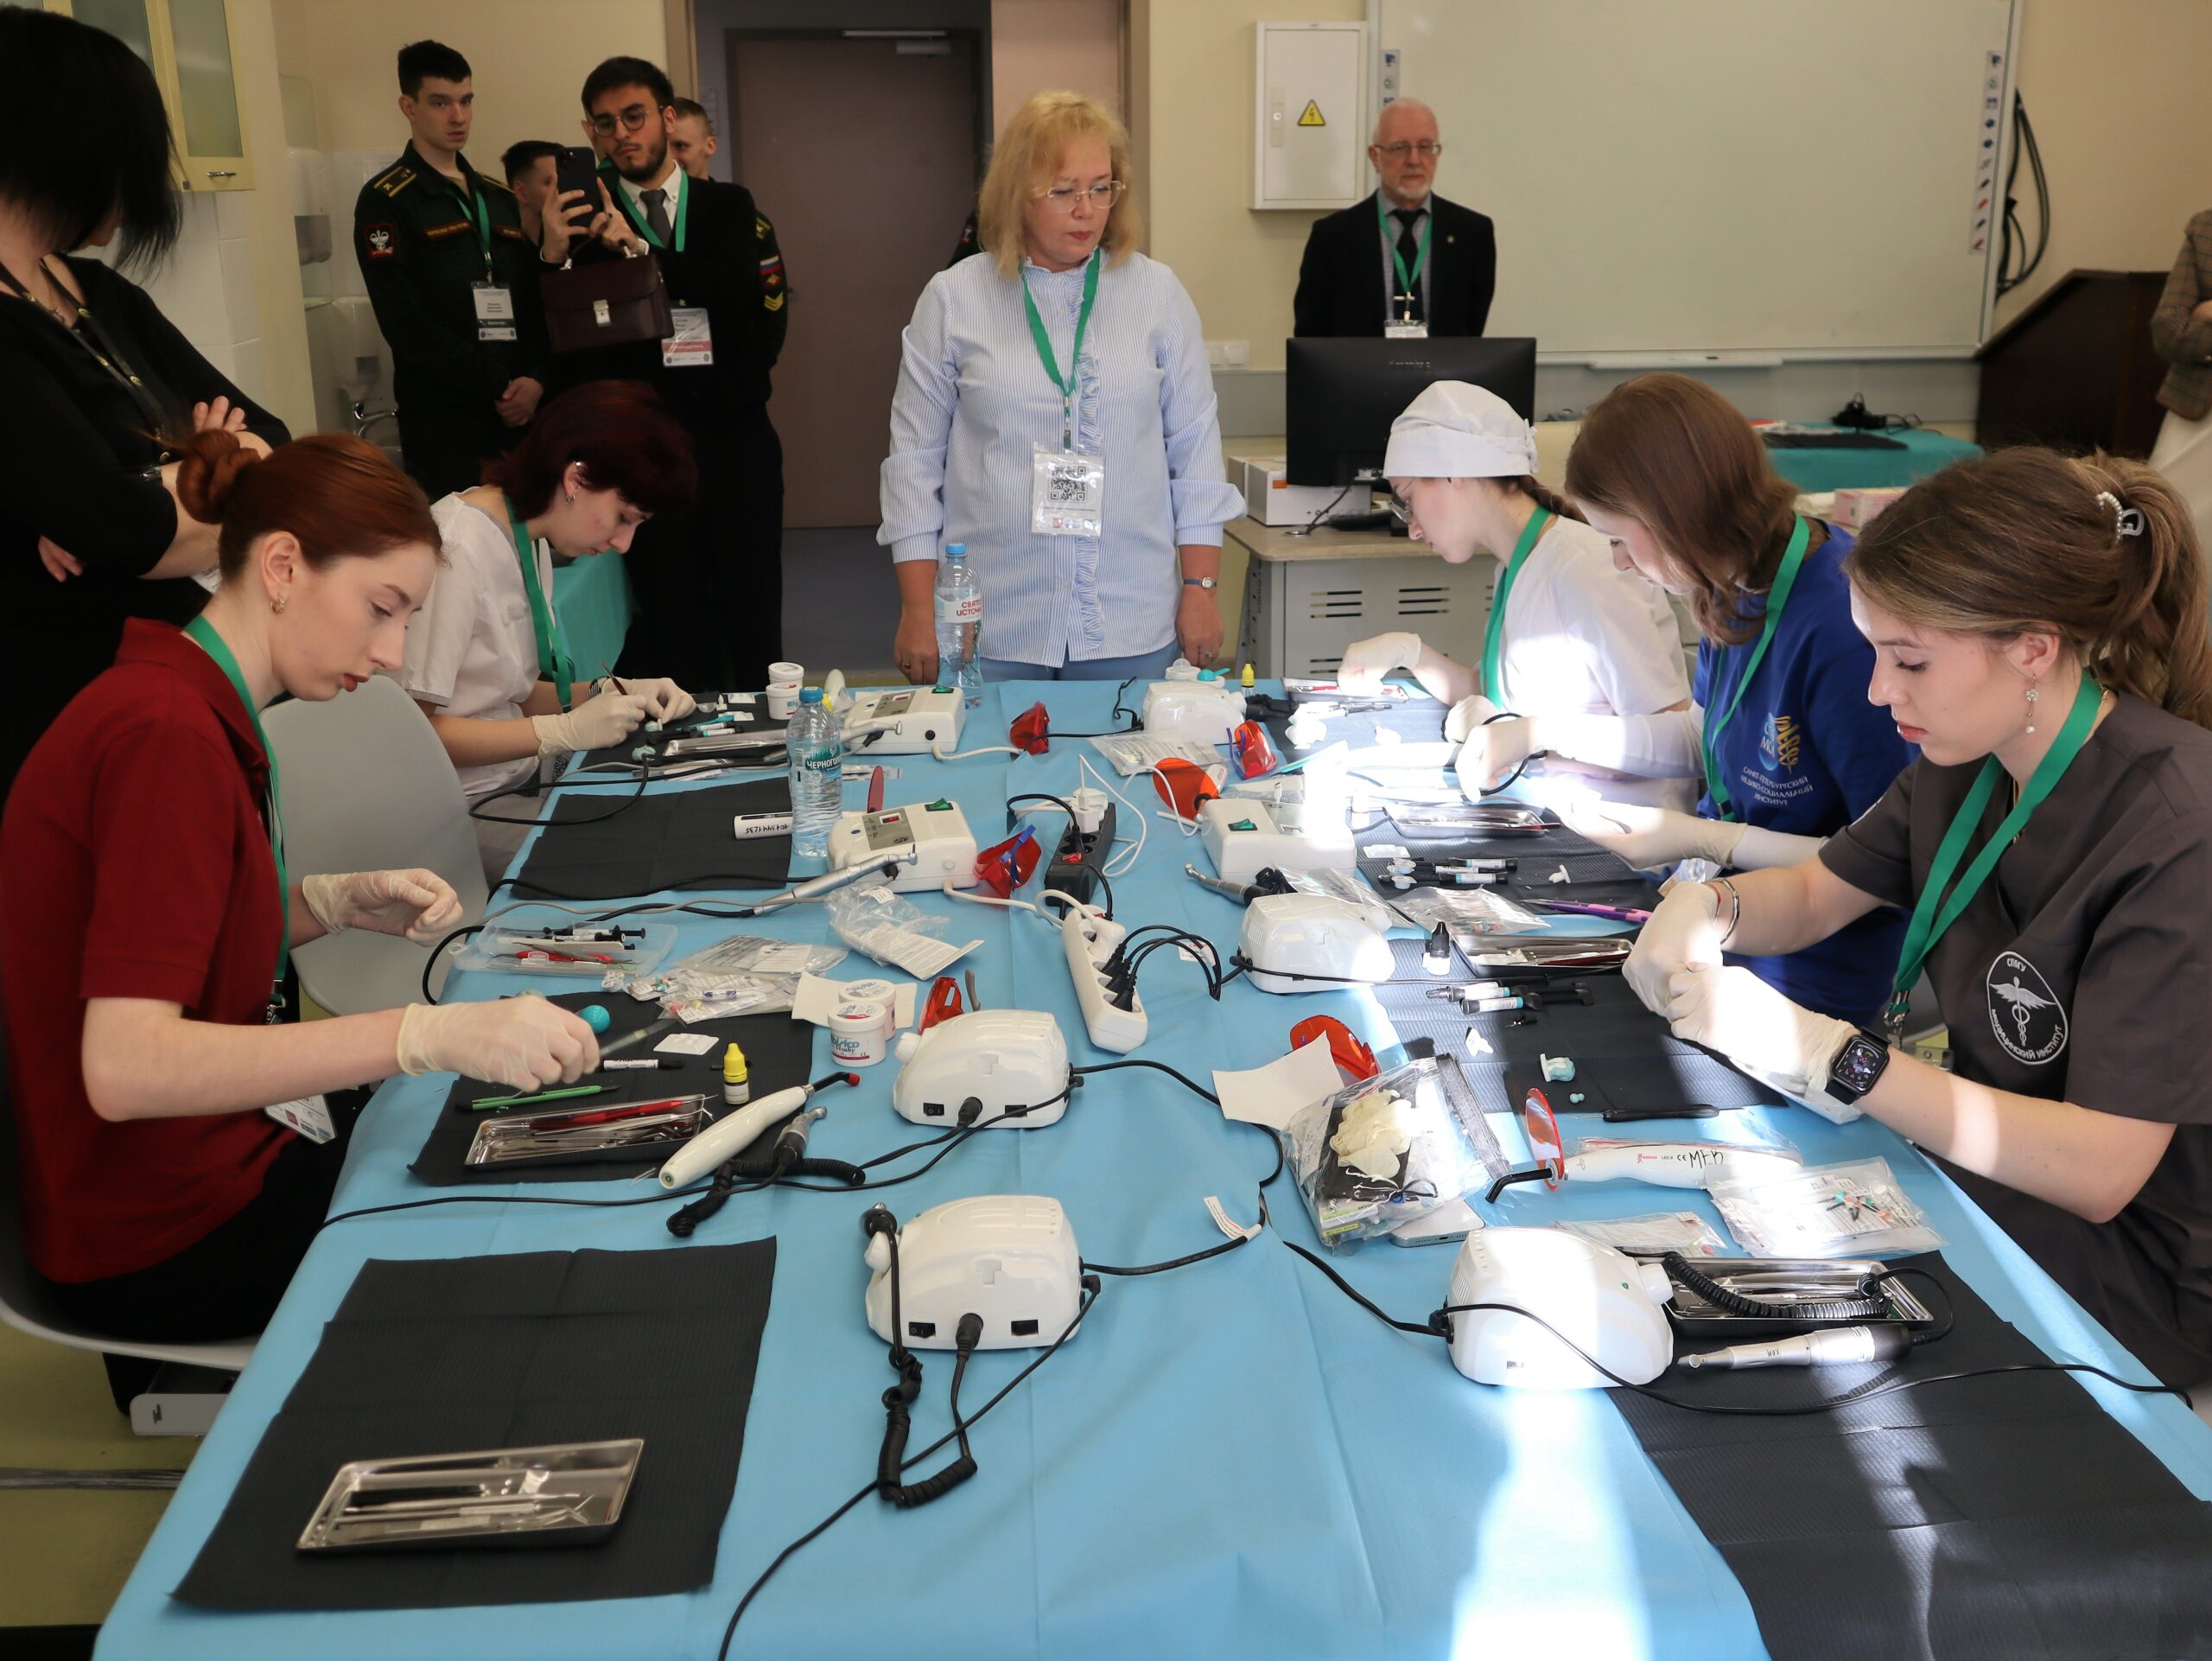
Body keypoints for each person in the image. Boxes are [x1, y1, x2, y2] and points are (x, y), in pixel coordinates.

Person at [0, 430, 601, 1353]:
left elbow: (167, 943)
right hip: (167, 1230)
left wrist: (325, 905)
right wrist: (421, 1033)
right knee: (536, 1236)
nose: (392, 653)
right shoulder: (164, 735)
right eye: (381, 609)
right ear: (282, 566)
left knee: (504, 1130)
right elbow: (125, 1068)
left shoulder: (190, 699)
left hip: (214, 1159)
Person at [1624, 448, 2212, 1389]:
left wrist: (1836, 1056)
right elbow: (1814, 894)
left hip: (2138, 1261)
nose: (1877, 691)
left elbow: (2101, 1170)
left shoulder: (2177, 827)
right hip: (1989, 1174)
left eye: (1909, 660)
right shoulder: (1964, 761)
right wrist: (1710, 907)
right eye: (1875, 653)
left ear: (2034, 645)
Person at [1464, 372, 1914, 1024]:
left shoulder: (1839, 628)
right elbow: (1705, 735)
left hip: (1811, 973)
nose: (1618, 562)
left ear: (1676, 515)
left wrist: (1708, 838)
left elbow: (1889, 864)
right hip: (1717, 925)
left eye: (1619, 539)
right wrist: (1540, 732)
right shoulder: (1731, 581)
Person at [0, 7, 290, 802]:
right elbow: (130, 530)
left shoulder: (98, 292)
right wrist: (203, 463)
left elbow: (272, 438)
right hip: (69, 725)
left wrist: (166, 482)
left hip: (182, 693)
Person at [880, 91, 1244, 683]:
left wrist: (1201, 587)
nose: (1086, 210)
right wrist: (918, 608)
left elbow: (1196, 450)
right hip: (992, 618)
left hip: (1129, 614)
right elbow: (915, 465)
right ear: (1016, 194)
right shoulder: (953, 299)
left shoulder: (1156, 294)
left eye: (1101, 188)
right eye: (1063, 190)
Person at [542, 55, 790, 691]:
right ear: (590, 132)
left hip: (734, 443)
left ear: (667, 117)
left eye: (635, 117)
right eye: (605, 124)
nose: (623, 134)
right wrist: (550, 256)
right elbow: (561, 349)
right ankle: (685, 742)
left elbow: (733, 295)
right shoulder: (582, 223)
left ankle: (766, 735)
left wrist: (638, 251)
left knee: (752, 611)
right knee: (672, 620)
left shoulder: (726, 205)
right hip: (640, 454)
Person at [1334, 382, 1692, 810]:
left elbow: (1675, 741)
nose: (1411, 527)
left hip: (1613, 826)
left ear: (1452, 471)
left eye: (1407, 500)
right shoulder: (1518, 564)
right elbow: (1494, 695)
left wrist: (1533, 743)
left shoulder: (1586, 566)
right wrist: (1411, 653)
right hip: (1540, 810)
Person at [399, 381, 700, 884]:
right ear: (576, 478)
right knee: (637, 860)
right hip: (457, 809)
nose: (624, 543)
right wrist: (559, 732)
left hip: (516, 780)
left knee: (674, 811)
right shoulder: (457, 548)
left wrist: (607, 692)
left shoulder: (528, 536)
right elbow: (414, 732)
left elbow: (500, 697)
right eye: (624, 518)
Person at [353, 40, 546, 501]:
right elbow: (406, 322)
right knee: (458, 540)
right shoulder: (387, 199)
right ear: (409, 107)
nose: (458, 116)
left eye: (465, 101)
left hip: (520, 413)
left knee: (526, 536)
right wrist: (497, 385)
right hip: (445, 420)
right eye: (440, 103)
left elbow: (534, 299)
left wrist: (537, 379)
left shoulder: (499, 197)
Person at [1293, 99, 1496, 340]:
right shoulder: (1332, 237)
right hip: (1361, 365)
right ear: (1375, 157)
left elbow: (1471, 333)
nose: (1414, 160)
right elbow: (1311, 339)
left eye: (1425, 147)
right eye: (1400, 147)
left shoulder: (1472, 234)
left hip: (1442, 365)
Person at [2149, 206, 2212, 557]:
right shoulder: (2206, 229)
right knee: (2162, 535)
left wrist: (2206, 312)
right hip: (2197, 414)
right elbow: (2168, 331)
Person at [500, 139, 563, 246]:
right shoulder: (504, 249)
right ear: (522, 193)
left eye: (565, 180)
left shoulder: (582, 241)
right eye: (550, 182)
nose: (563, 189)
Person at [669, 97, 719, 181]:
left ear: (710, 146)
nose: (670, 158)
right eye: (664, 148)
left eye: (680, 146)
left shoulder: (731, 190)